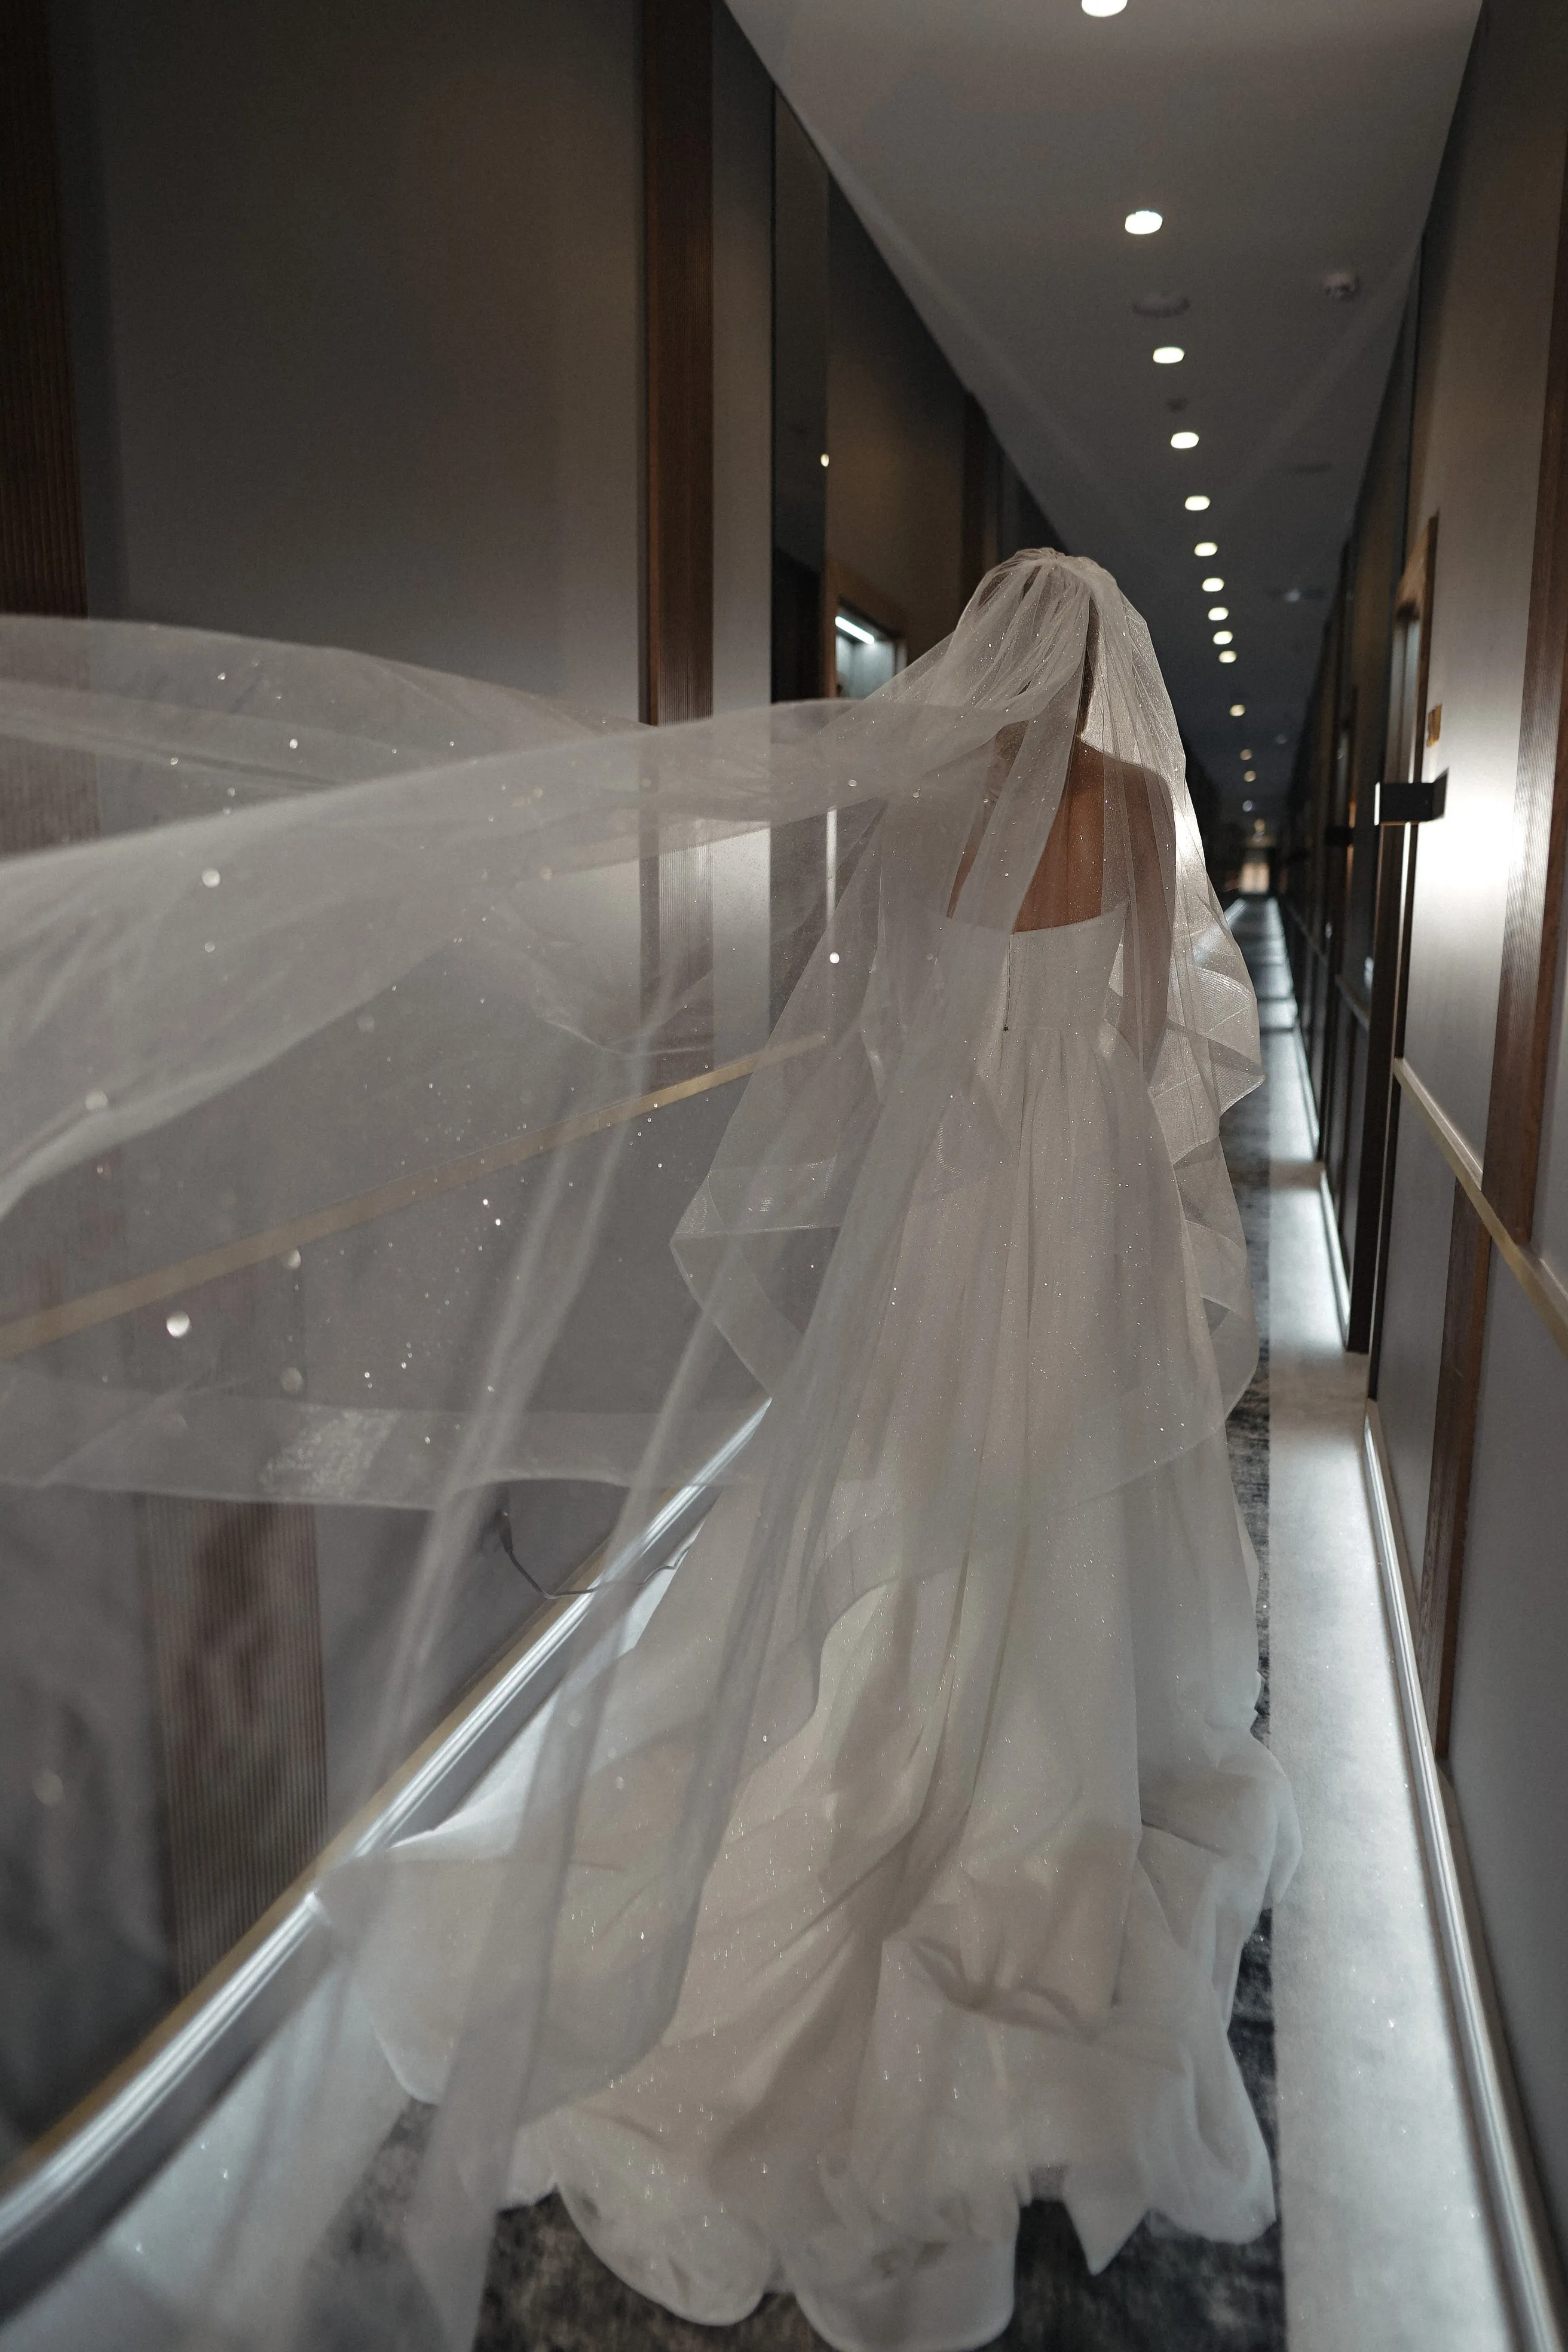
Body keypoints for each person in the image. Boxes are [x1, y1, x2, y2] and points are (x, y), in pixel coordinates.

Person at [0, 553, 1296, 2352]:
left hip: (942, 1191)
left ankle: (885, 1750)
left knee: (910, 1478)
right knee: (1045, 1484)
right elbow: (1156, 1027)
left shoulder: (945, 800)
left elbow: (889, 1006)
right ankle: (1028, 1762)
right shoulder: (1129, 801)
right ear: (1111, 674)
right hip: (1064, 1179)